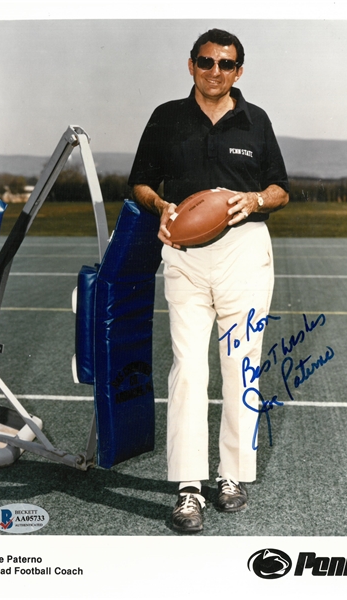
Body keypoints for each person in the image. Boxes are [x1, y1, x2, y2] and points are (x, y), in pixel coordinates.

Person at [129, 28, 289, 533]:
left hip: (245, 252)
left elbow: (282, 188)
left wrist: (257, 200)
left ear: (238, 71)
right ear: (191, 64)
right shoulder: (166, 117)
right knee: (188, 370)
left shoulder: (255, 120)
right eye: (205, 61)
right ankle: (188, 487)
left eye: (225, 63)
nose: (214, 71)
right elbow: (139, 181)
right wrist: (160, 205)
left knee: (241, 366)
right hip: (184, 254)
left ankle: (232, 476)